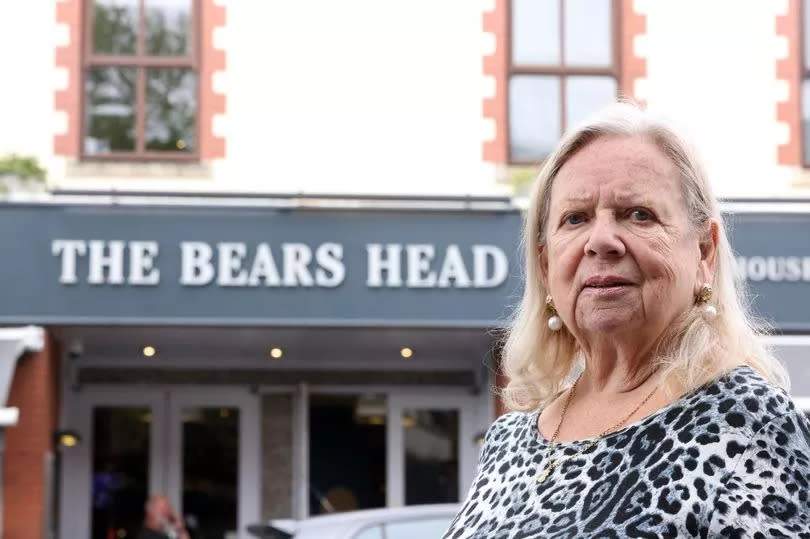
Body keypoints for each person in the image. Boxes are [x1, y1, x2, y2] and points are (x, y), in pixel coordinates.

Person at [443, 102, 810, 538]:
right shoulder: (507, 441)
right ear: (545, 266)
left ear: (704, 253)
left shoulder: (751, 424)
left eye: (638, 214)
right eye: (575, 218)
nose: (600, 241)